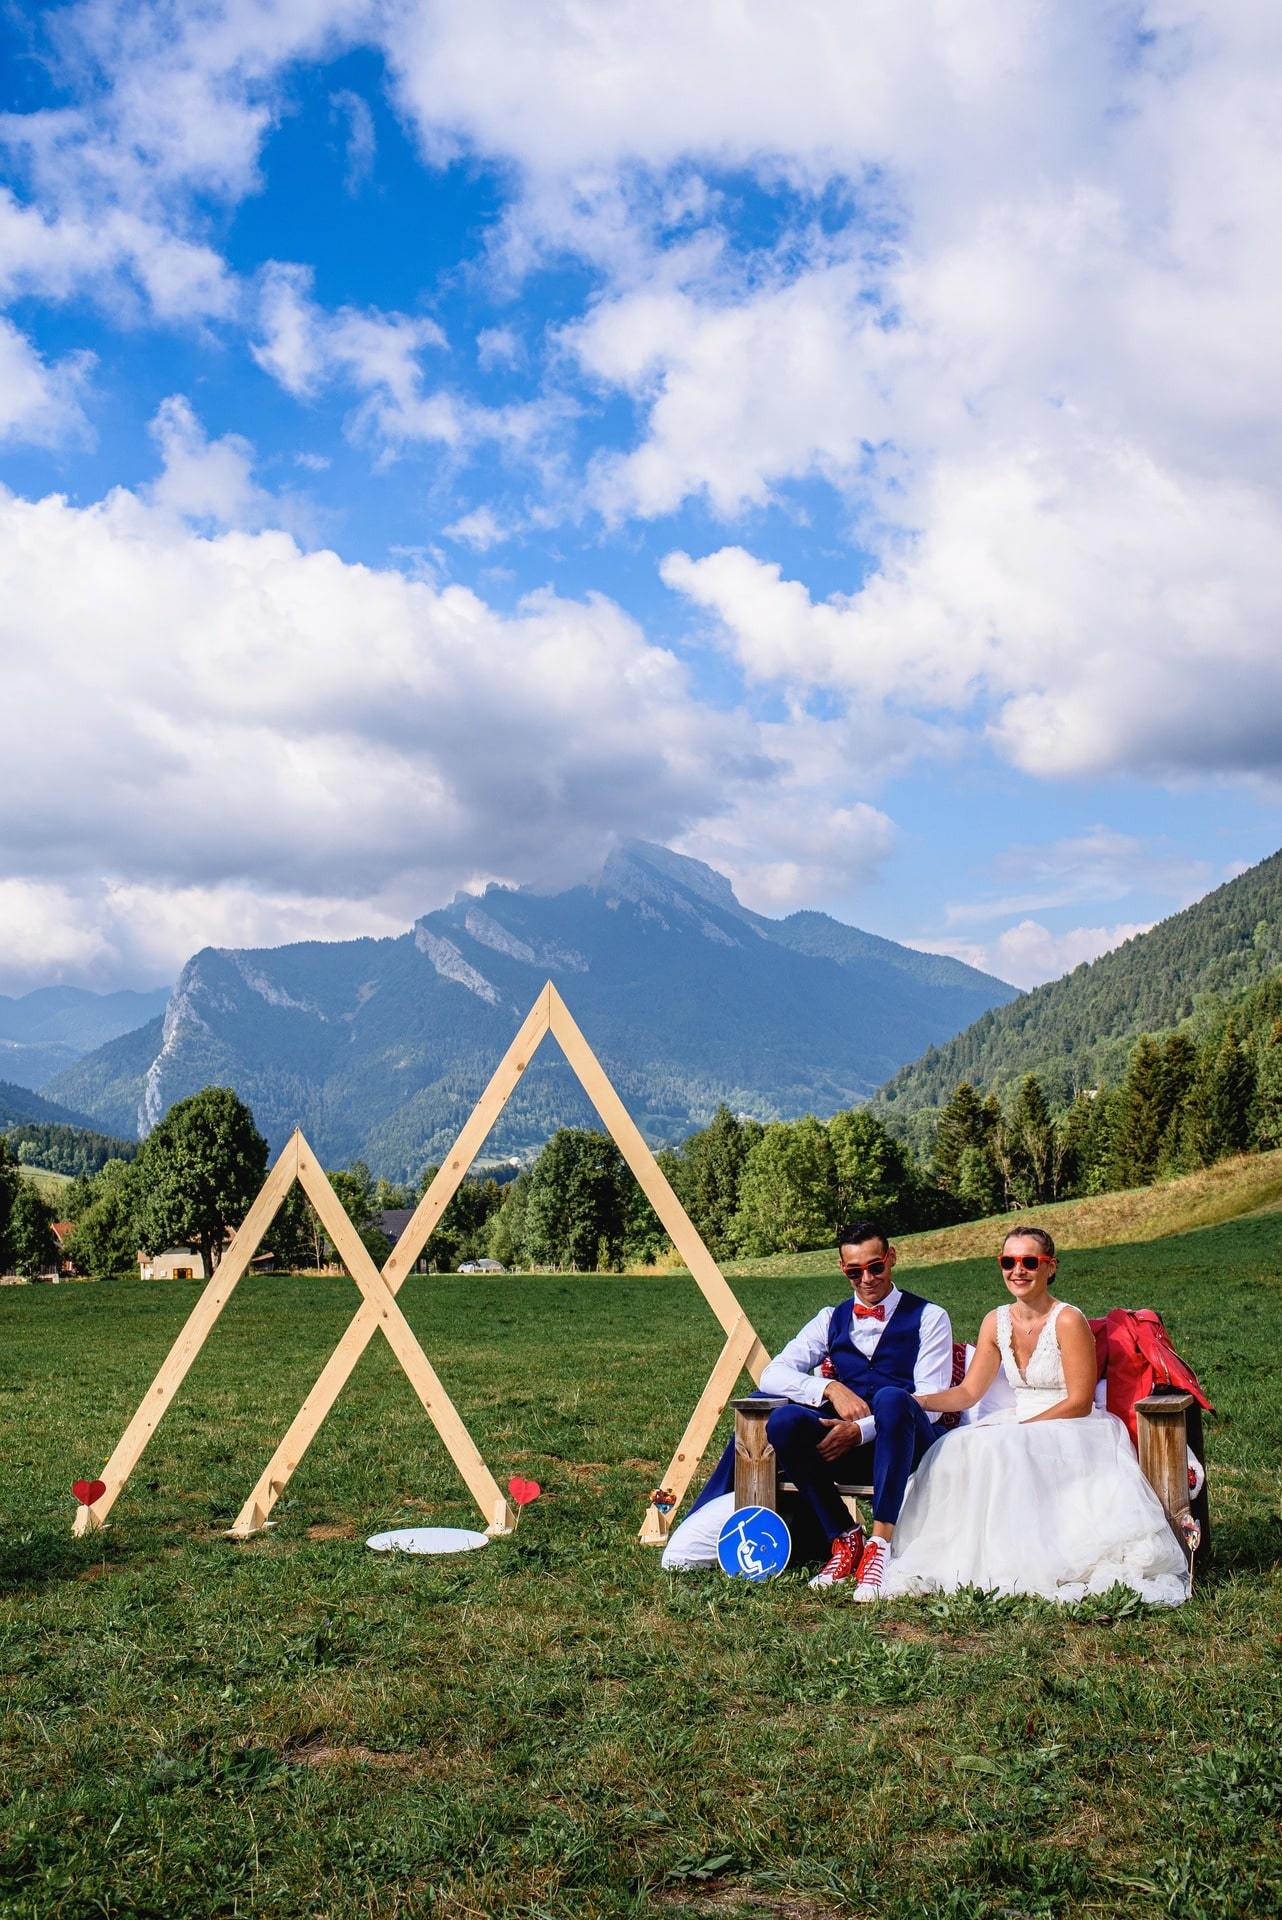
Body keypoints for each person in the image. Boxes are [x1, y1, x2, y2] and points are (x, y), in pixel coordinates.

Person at [880, 1227, 1190, 1605]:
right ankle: (970, 1558)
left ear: (1051, 1267)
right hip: (1018, 1419)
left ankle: (1023, 1564)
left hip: (1073, 1426)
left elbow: (1078, 1400)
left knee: (1002, 1448)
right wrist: (920, 1401)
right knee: (957, 1446)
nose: (1018, 1271)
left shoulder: (1067, 1320)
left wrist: (1021, 1430)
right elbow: (969, 1392)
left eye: (1030, 1261)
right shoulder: (995, 1321)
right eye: (1008, 1262)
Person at [661, 1222, 954, 1597]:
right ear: (842, 1269)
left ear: (891, 1258)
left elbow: (929, 1404)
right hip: (838, 1450)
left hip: (905, 1447)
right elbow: (773, 1373)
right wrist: (829, 1387)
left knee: (893, 1398)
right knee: (783, 1421)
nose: (867, 1279)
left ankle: (878, 1548)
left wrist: (861, 1430)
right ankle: (844, 1538)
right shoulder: (830, 1318)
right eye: (854, 1272)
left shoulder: (930, 1317)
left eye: (875, 1267)